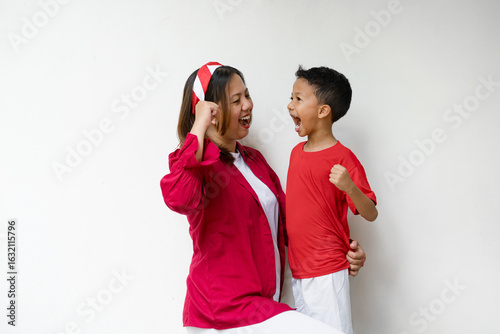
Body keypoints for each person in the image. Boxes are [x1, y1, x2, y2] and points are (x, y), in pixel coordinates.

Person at [160, 62, 367, 334]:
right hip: (221, 314)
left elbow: (292, 226)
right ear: (210, 111)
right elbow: (178, 197)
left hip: (261, 307)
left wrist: (341, 249)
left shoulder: (254, 162)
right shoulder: (200, 169)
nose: (247, 105)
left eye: (247, 95)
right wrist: (198, 125)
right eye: (236, 100)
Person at [286, 65, 378, 334]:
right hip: (299, 270)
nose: (290, 106)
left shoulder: (342, 157)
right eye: (291, 97)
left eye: (298, 99)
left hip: (326, 271)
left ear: (323, 111)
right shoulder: (295, 153)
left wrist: (350, 187)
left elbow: (371, 212)